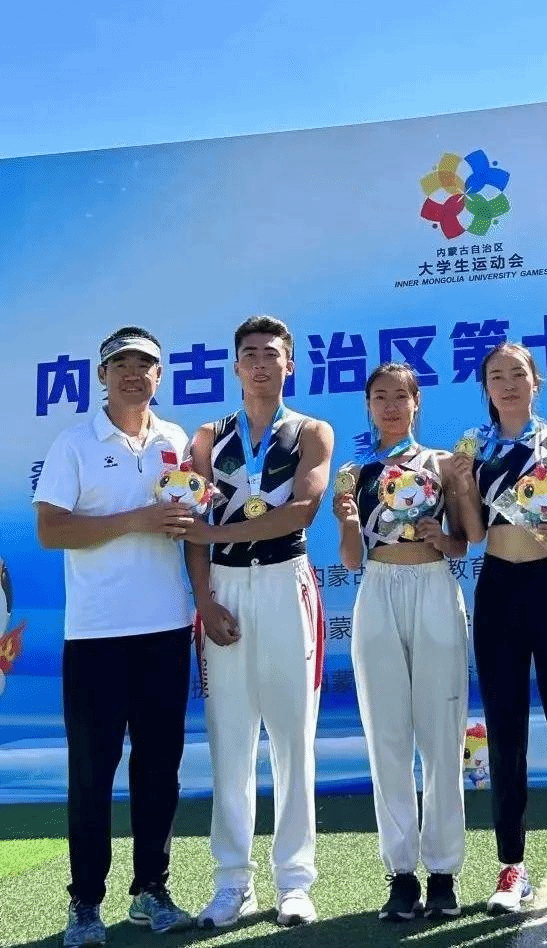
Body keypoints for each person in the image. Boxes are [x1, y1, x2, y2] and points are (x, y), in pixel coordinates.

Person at [34, 327, 196, 946]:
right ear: (102, 376)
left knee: (159, 769)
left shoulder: (176, 440)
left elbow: (188, 520)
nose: (133, 373)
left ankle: (151, 889)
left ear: (160, 375)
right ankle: (85, 903)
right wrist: (138, 520)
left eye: (145, 364)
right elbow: (51, 530)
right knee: (92, 772)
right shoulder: (74, 443)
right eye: (120, 364)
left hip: (165, 630)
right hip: (96, 635)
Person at [183, 315, 333, 929]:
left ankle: (294, 882)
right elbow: (190, 524)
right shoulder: (206, 438)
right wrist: (204, 600)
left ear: (289, 364)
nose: (261, 363)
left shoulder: (311, 431)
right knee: (230, 739)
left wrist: (215, 534)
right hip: (224, 588)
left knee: (293, 738)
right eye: (250, 354)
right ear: (236, 367)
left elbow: (303, 509)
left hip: (284, 582)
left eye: (272, 353)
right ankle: (232, 882)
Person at [452, 342, 547, 917]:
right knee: (505, 730)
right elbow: (473, 534)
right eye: (496, 376)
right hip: (498, 589)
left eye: (518, 374)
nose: (508, 384)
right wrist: (464, 486)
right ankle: (511, 865)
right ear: (485, 387)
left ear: (536, 382)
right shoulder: (472, 447)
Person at [332, 362, 470, 922]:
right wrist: (347, 522)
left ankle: (443, 872)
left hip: (434, 586)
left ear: (417, 403)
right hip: (379, 590)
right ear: (368, 407)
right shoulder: (355, 474)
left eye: (400, 396)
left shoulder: (443, 464)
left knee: (442, 735)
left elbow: (465, 543)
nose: (390, 406)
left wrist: (443, 535)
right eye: (379, 397)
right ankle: (402, 874)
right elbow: (350, 559)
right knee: (386, 736)